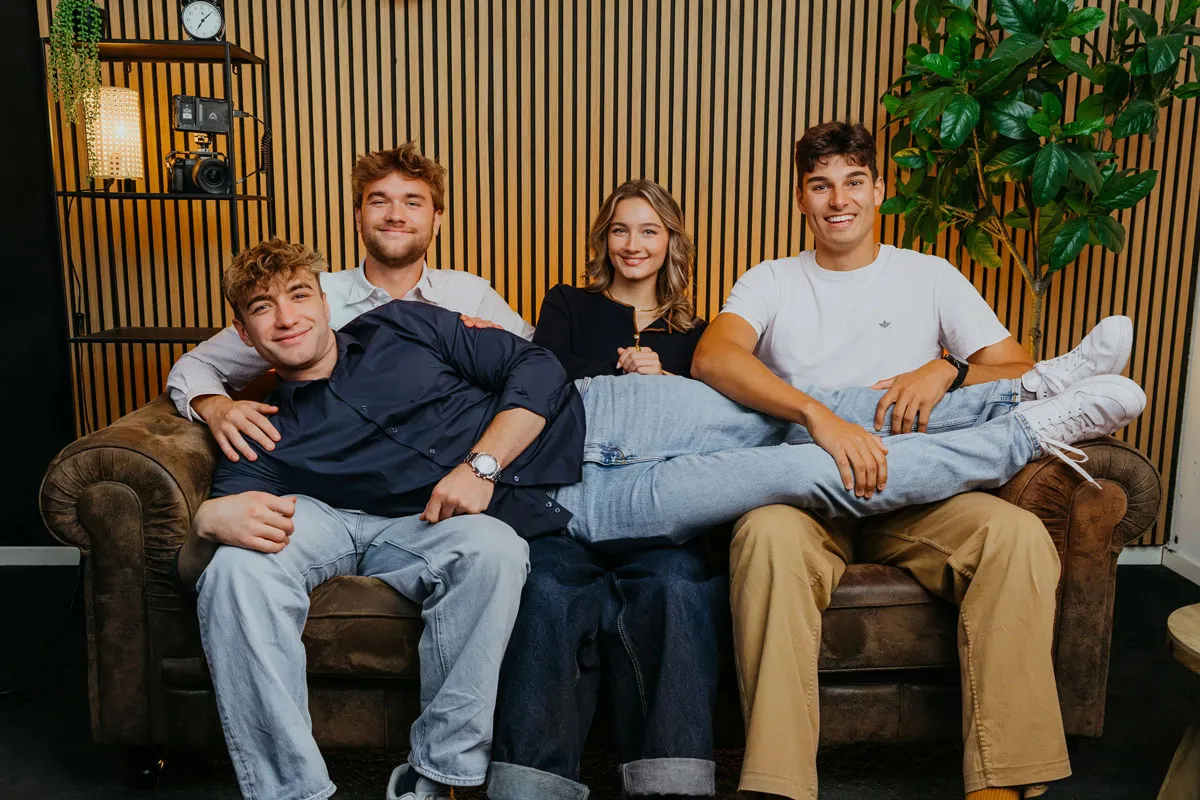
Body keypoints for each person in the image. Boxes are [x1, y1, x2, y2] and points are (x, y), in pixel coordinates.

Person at [178, 238, 1140, 800]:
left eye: (297, 296)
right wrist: (212, 510)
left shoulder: (400, 323)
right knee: (808, 470)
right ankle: (1032, 433)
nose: (286, 317)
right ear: (245, 331)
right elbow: (223, 518)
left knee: (804, 407)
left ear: (322, 299)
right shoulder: (265, 433)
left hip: (612, 411)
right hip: (585, 505)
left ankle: (1023, 391)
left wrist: (481, 463)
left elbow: (534, 367)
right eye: (262, 310)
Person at [689, 121, 1135, 800]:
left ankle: (1003, 778)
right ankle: (779, 783)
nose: (839, 199)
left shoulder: (929, 276)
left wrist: (949, 369)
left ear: (879, 190)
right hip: (807, 491)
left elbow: (1019, 369)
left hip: (921, 491)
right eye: (820, 185)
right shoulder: (770, 281)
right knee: (763, 537)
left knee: (1015, 535)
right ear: (801, 199)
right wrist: (817, 415)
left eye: (853, 182)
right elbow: (713, 357)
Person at [490, 180, 723, 800]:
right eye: (620, 229)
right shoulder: (568, 304)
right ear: (604, 239)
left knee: (677, 587)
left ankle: (672, 786)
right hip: (567, 501)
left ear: (671, 240)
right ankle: (530, 786)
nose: (633, 244)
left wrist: (666, 377)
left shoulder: (700, 332)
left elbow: (712, 418)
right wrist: (616, 375)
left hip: (658, 513)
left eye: (649, 230)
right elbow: (540, 375)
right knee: (544, 590)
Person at [164, 141, 532, 464]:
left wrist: (501, 348)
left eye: (412, 203)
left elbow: (537, 367)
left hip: (459, 471)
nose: (395, 215)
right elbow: (195, 366)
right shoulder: (307, 301)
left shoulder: (470, 294)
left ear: (437, 220)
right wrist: (215, 406)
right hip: (341, 477)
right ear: (358, 216)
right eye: (379, 201)